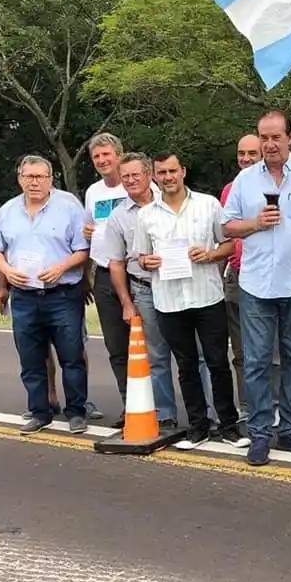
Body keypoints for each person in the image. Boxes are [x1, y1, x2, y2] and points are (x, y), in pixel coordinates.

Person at [222, 109, 291, 466]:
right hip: (255, 284)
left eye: (275, 137)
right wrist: (254, 223)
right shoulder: (245, 181)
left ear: (290, 137)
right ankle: (259, 433)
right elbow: (228, 227)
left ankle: (290, 428)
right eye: (263, 137)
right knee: (255, 362)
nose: (269, 144)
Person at [133, 152, 248, 450]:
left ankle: (229, 425)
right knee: (185, 366)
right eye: (162, 172)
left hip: (207, 295)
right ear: (155, 176)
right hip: (169, 300)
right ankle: (198, 427)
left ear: (183, 171)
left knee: (218, 363)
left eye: (173, 171)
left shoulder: (208, 204)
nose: (168, 177)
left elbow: (228, 244)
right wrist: (149, 261)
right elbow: (140, 256)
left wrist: (208, 255)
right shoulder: (146, 215)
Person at [0, 155, 90, 435]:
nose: (35, 182)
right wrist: (6, 272)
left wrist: (61, 267)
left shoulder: (68, 207)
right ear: (20, 178)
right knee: (31, 359)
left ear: (50, 179)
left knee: (72, 356)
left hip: (62, 294)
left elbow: (83, 250)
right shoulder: (7, 211)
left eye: (41, 177)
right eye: (29, 176)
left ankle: (77, 412)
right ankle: (39, 411)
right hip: (24, 297)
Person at [103, 152, 179, 429]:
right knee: (157, 356)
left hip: (179, 286)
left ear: (150, 174)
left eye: (136, 174)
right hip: (144, 289)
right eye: (125, 177)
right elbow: (116, 262)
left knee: (195, 354)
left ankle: (205, 414)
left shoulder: (172, 201)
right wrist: (126, 302)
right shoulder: (118, 216)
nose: (131, 180)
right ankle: (165, 414)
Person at [219, 134, 281, 429]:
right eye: (241, 153)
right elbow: (226, 232)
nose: (245, 158)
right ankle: (248, 407)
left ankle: (276, 406)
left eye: (251, 153)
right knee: (243, 351)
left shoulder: (276, 187)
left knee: (275, 350)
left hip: (272, 277)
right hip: (238, 276)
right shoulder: (231, 190)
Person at [82, 133, 133, 427]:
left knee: (151, 347)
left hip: (137, 274)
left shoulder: (138, 184)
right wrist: (85, 276)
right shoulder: (93, 192)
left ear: (119, 154)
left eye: (107, 155)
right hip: (103, 274)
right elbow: (90, 231)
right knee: (117, 348)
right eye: (97, 157)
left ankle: (160, 407)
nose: (102, 161)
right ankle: (131, 406)